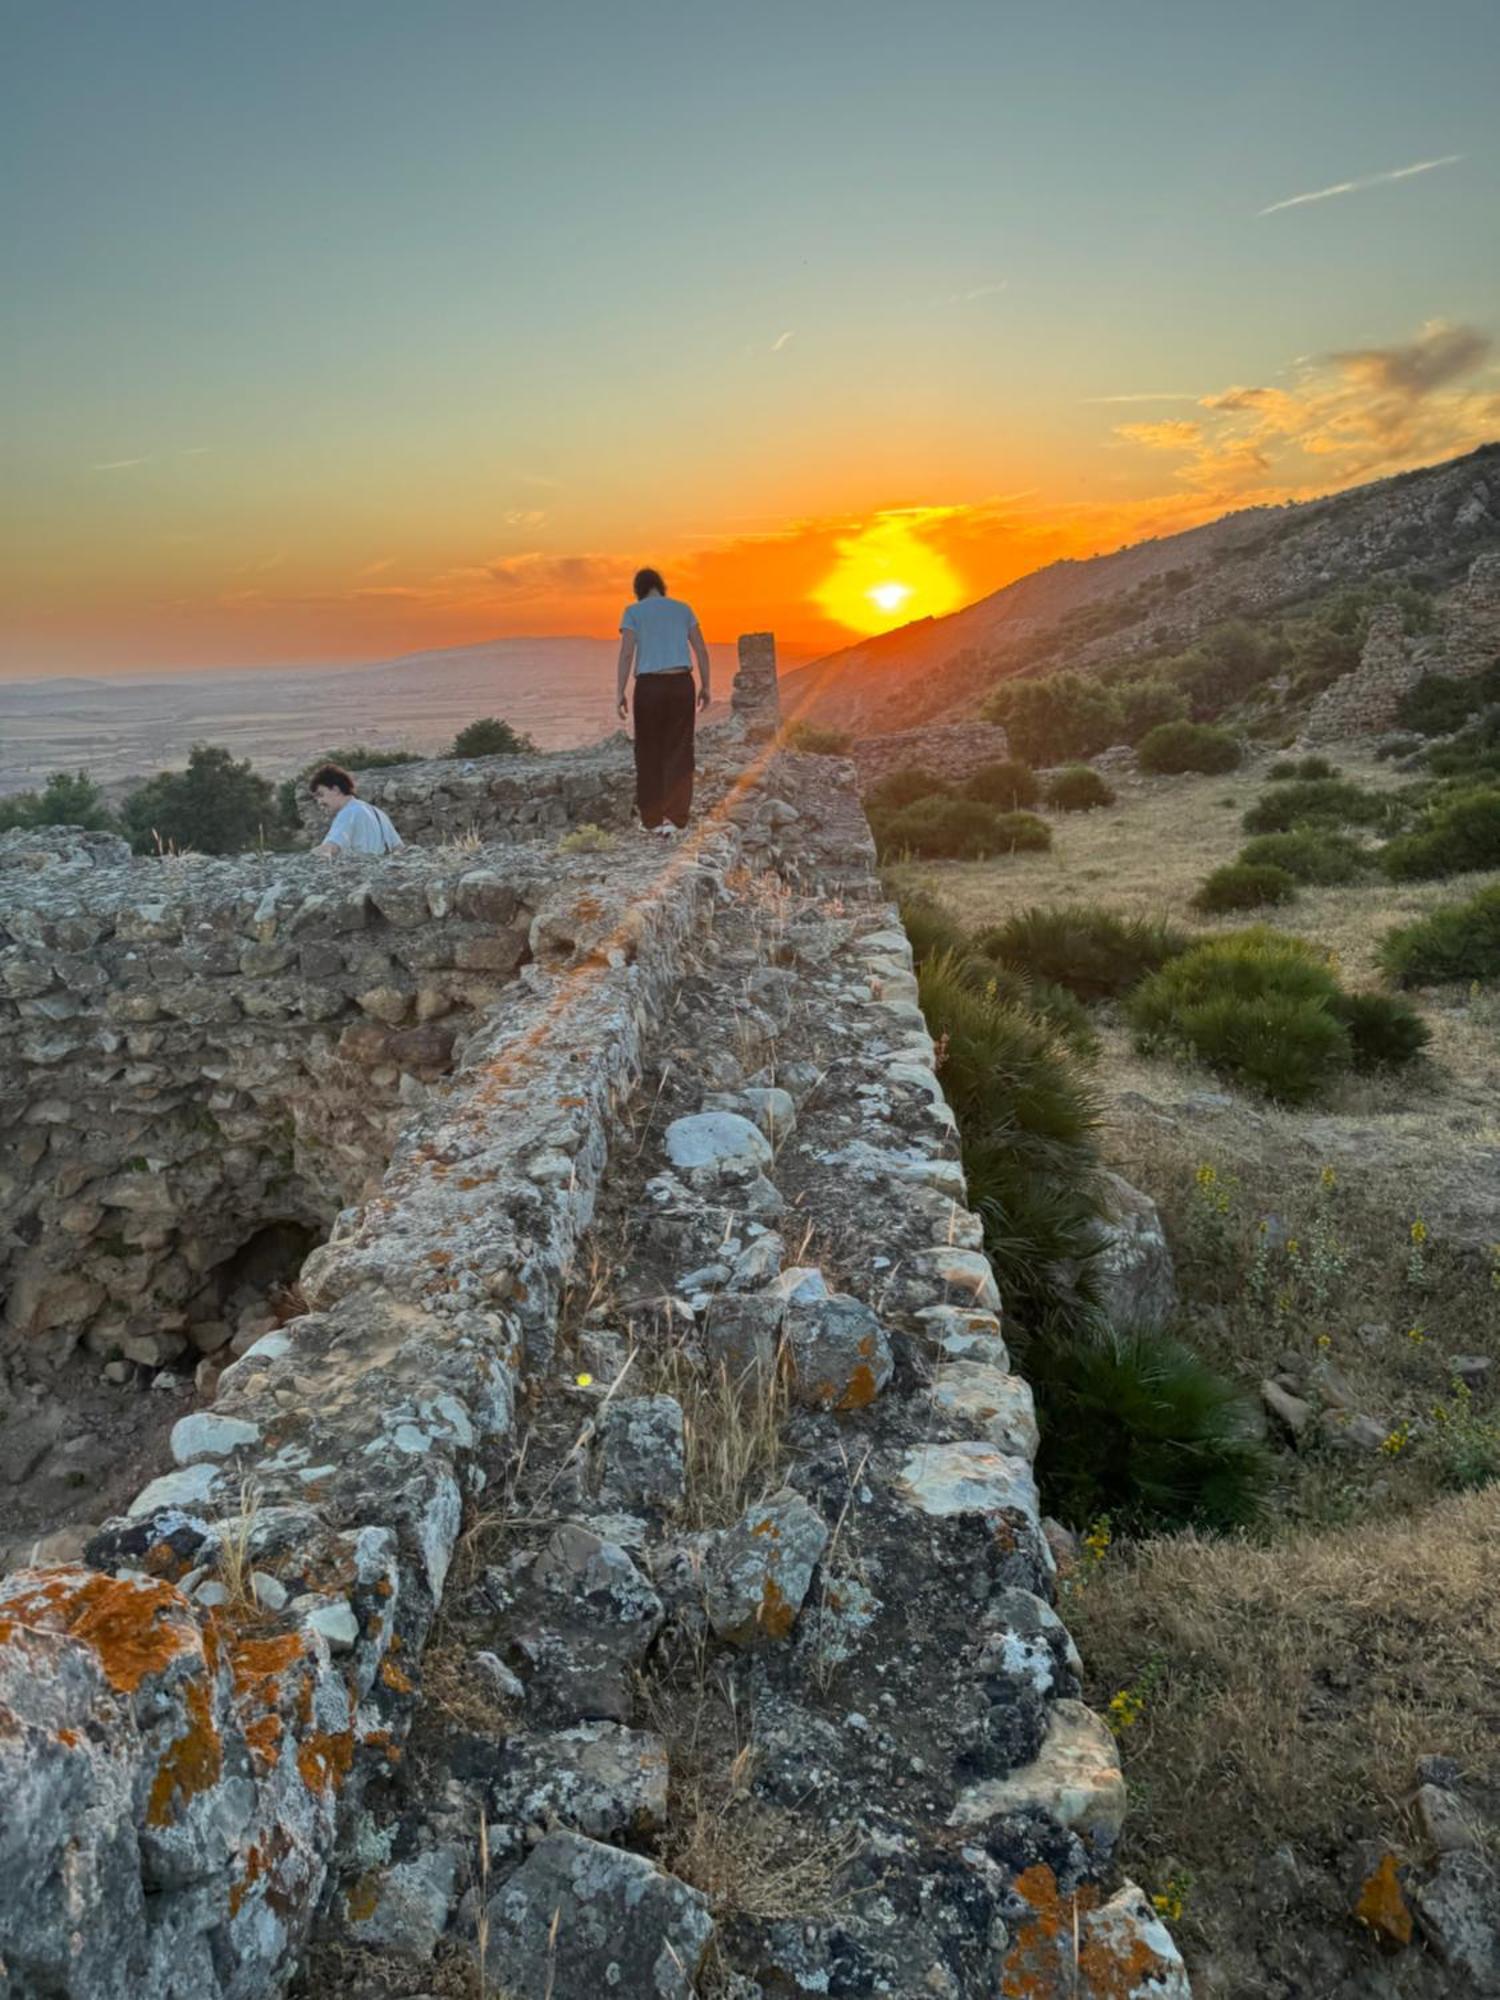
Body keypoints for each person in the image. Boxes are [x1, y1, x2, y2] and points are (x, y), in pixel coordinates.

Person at [616, 567, 710, 835]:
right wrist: (707, 686)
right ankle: (677, 819)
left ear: (639, 589)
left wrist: (619, 691)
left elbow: (626, 654)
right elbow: (701, 649)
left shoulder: (634, 611)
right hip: (682, 684)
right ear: (661, 586)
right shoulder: (683, 609)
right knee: (680, 750)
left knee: (648, 751)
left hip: (649, 686)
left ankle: (652, 820)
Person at [308, 763, 404, 857]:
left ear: (336, 790)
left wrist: (309, 857)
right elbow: (399, 848)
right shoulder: (378, 813)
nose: (319, 802)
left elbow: (330, 848)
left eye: (320, 795)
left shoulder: (348, 813)